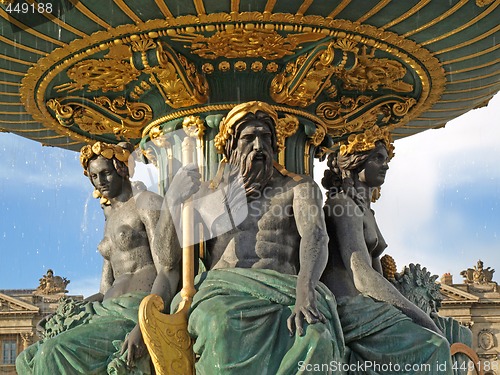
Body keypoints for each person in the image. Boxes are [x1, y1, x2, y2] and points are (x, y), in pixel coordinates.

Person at [155, 101, 343, 374]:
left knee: (317, 337)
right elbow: (168, 261)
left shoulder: (299, 188)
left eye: (265, 138)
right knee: (221, 324)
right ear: (231, 147)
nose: (258, 147)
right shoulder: (204, 196)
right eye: (248, 139)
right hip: (223, 294)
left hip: (286, 292)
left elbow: (315, 236)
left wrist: (306, 289)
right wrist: (172, 201)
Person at [17, 141, 164, 374]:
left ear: (122, 169)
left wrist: (145, 324)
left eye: (106, 173)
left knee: (52, 352)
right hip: (106, 310)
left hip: (134, 308)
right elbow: (105, 290)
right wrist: (63, 314)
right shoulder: (110, 218)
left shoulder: (147, 203)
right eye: (94, 176)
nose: (100, 181)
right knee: (26, 359)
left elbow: (168, 271)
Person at [321, 125, 454, 374]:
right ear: (355, 162)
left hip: (368, 306)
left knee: (457, 334)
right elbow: (362, 276)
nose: (386, 165)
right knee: (435, 345)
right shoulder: (342, 207)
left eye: (387, 159)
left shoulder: (364, 210)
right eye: (378, 158)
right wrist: (421, 318)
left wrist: (415, 313)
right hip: (349, 308)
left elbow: (379, 278)